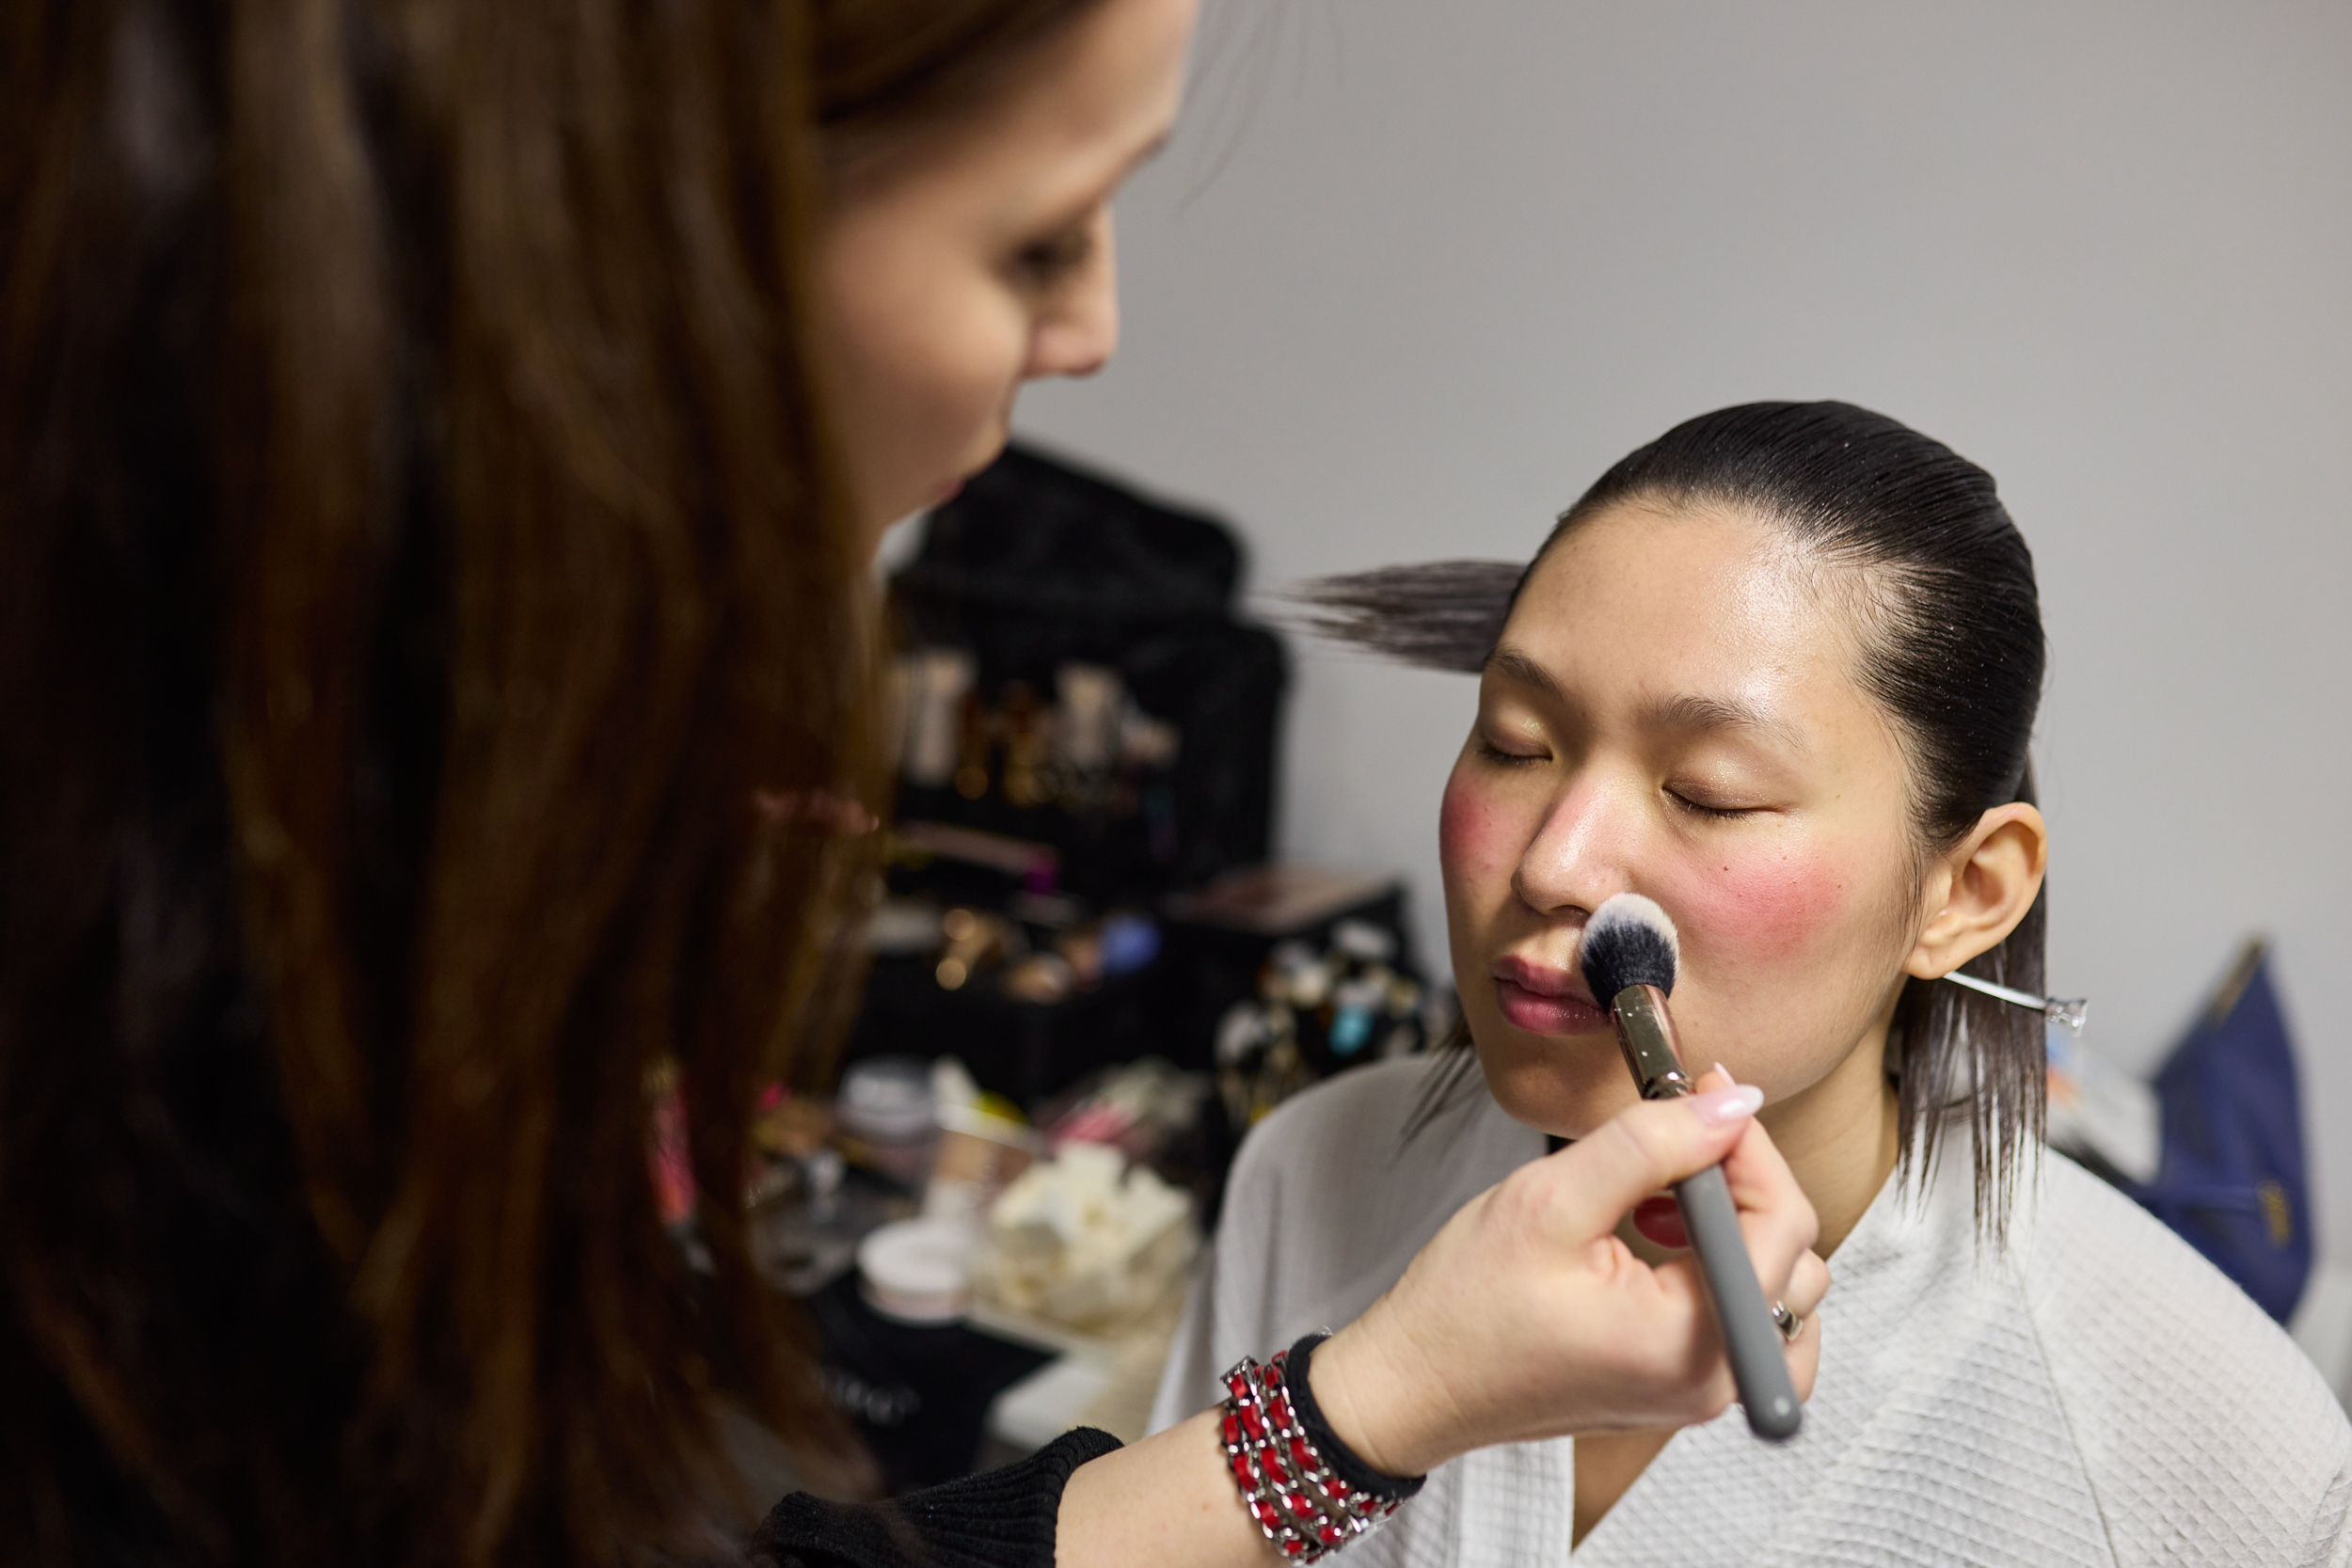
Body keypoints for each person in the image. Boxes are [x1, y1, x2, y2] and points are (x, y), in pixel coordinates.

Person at [0, 3, 1830, 1566]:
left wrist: (1380, 1401)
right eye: (1036, 240)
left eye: (1715, 790)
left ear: (1973, 883)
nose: (1093, 329)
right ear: (634, 241)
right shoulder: (185, 1044)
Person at [1152, 400, 2352, 1565]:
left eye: (1710, 792)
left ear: (1966, 891)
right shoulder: (1309, 1172)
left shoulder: (2225, 1457)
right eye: (1517, 742)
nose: (1553, 862)